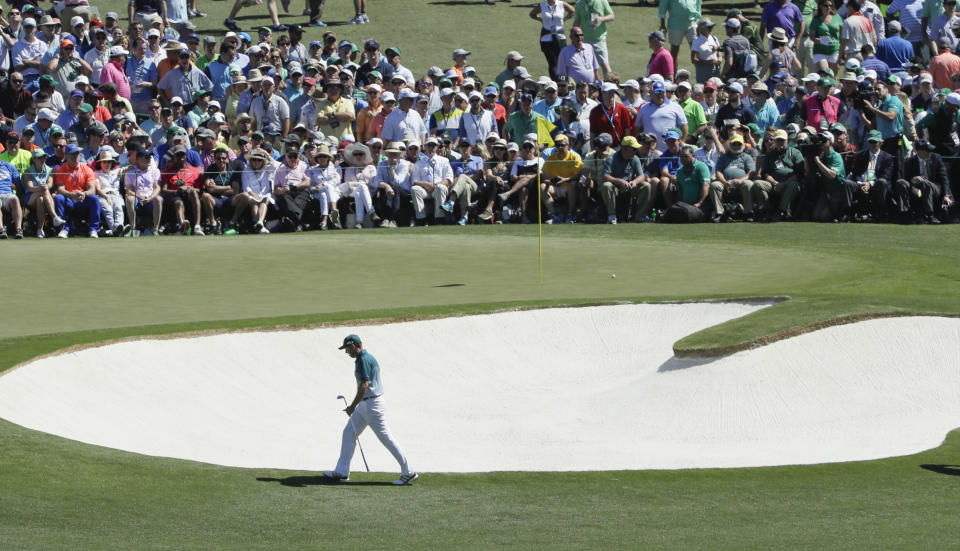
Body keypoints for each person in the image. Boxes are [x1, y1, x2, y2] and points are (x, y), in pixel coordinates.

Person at [322, 334, 417, 485]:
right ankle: (342, 471)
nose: (346, 352)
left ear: (353, 345)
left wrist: (352, 406)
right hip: (366, 404)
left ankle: (408, 471)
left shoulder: (362, 360)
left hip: (372, 406)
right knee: (348, 433)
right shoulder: (367, 357)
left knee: (386, 438)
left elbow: (364, 385)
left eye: (347, 348)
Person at [895, 140, 953, 223]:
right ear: (919, 151)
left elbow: (944, 178)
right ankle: (904, 213)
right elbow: (906, 179)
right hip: (916, 189)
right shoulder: (909, 162)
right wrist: (913, 179)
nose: (930, 152)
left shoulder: (936, 158)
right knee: (900, 182)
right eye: (927, 150)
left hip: (934, 187)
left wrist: (946, 194)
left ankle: (930, 215)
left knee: (925, 183)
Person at [844, 129, 894, 220]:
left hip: (876, 185)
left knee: (882, 182)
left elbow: (886, 176)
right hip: (861, 183)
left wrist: (870, 184)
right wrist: (861, 183)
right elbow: (855, 172)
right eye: (870, 141)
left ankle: (879, 213)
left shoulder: (887, 157)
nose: (872, 144)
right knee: (847, 183)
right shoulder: (861, 155)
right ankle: (848, 213)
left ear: (880, 142)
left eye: (874, 142)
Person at [53, 144, 101, 238]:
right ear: (66, 155)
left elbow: (92, 189)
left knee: (94, 198)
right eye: (72, 154)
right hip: (69, 199)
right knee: (59, 198)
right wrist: (72, 194)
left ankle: (93, 229)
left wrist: (84, 193)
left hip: (82, 199)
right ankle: (64, 229)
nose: (75, 156)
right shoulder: (60, 170)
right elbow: (60, 189)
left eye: (77, 153)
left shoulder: (87, 169)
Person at [531, 0, 574, 82]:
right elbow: (532, 14)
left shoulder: (562, 4)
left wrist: (564, 20)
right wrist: (541, 20)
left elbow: (572, 11)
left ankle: (564, 83)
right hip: (546, 38)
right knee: (552, 63)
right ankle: (556, 83)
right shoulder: (542, 5)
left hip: (560, 37)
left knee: (562, 62)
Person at [572, 0, 615, 78]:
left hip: (599, 39)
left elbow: (611, 16)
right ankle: (593, 86)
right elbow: (577, 21)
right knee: (587, 65)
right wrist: (573, 35)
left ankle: (610, 85)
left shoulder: (602, 1)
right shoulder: (579, 4)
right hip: (584, 40)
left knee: (604, 64)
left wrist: (601, 19)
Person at [659, 0, 701, 70]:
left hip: (692, 23)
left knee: (697, 49)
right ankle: (673, 76)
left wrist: (698, 19)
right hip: (675, 25)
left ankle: (701, 74)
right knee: (674, 51)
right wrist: (662, 24)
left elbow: (698, 4)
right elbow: (663, 5)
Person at [691, 19, 721, 84]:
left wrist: (719, 58)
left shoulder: (714, 38)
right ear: (702, 28)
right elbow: (693, 59)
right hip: (702, 71)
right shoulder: (696, 41)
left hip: (715, 70)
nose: (711, 29)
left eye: (711, 27)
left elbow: (719, 50)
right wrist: (707, 62)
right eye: (709, 27)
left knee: (717, 89)